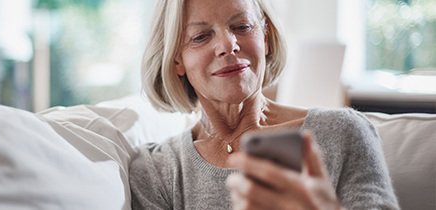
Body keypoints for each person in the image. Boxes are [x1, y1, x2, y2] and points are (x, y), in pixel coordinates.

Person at [129, 0, 399, 209]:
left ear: (265, 37)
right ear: (177, 60)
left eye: (242, 26)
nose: (228, 44)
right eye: (200, 36)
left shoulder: (344, 132)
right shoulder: (157, 169)